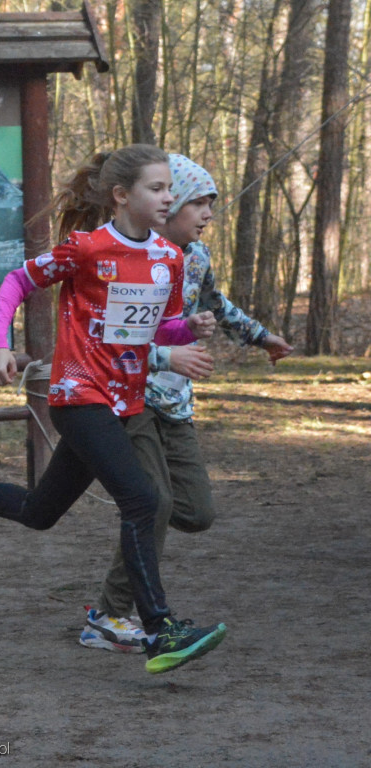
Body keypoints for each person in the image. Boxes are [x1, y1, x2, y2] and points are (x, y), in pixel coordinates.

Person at [0, 144, 227, 675]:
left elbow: (152, 330)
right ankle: (160, 629)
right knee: (143, 501)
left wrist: (190, 328)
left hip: (126, 399)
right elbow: (18, 280)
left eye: (170, 189)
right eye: (157, 189)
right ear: (122, 196)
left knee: (40, 512)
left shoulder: (170, 259)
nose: (169, 198)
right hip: (78, 396)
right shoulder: (87, 249)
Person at [78, 153, 293, 654]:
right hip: (129, 395)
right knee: (153, 503)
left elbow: (216, 304)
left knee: (195, 512)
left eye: (210, 204)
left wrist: (263, 339)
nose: (207, 213)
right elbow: (109, 340)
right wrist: (165, 355)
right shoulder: (122, 257)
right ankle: (110, 615)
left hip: (175, 400)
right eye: (198, 202)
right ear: (166, 203)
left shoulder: (195, 258)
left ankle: (139, 532)